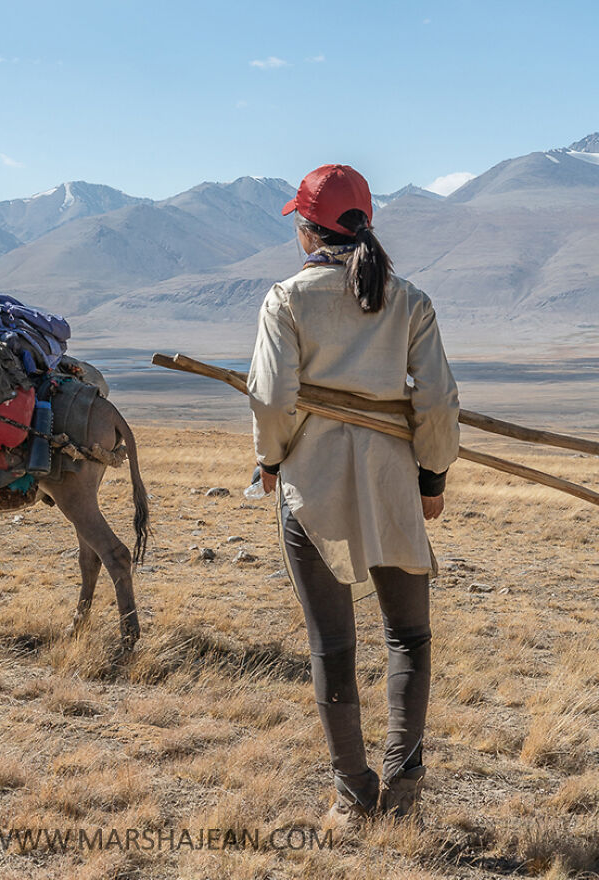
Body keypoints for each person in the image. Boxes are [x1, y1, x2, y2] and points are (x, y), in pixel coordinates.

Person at [247, 164, 460, 831]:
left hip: (313, 488)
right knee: (409, 634)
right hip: (393, 482)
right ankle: (404, 785)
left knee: (332, 641)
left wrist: (271, 461)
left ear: (308, 231)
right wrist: (431, 479)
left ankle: (352, 795)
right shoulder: (408, 299)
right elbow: (437, 402)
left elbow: (273, 398)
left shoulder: (286, 298)